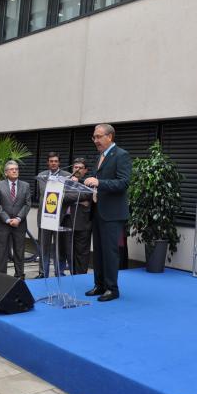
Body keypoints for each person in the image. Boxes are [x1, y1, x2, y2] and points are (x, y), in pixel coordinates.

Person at [84, 124, 131, 302]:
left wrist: (99, 182)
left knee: (110, 252)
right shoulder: (100, 156)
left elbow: (124, 182)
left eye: (98, 136)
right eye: (94, 137)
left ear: (109, 136)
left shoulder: (121, 155)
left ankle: (112, 289)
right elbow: (97, 182)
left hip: (112, 214)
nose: (95, 140)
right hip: (97, 210)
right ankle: (100, 285)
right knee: (98, 251)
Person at [35, 152, 71, 278]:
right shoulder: (41, 175)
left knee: (58, 248)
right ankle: (43, 273)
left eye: (56, 161)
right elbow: (43, 193)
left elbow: (68, 194)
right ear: (48, 163)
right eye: (51, 161)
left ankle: (58, 272)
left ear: (59, 162)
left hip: (60, 218)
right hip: (45, 217)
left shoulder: (67, 176)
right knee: (43, 247)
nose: (53, 163)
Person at [0, 161, 31, 279]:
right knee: (1, 252)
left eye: (16, 169)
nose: (15, 171)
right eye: (12, 169)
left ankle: (19, 275)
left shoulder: (25, 185)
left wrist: (18, 218)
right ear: (6, 173)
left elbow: (27, 204)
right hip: (3, 224)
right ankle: (1, 277)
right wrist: (7, 219)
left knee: (19, 251)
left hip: (20, 224)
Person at [64, 158, 93, 274]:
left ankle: (80, 277)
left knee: (82, 253)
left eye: (80, 168)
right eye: (75, 167)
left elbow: (88, 195)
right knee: (69, 252)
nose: (77, 170)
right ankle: (72, 276)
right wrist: (79, 200)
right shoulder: (66, 181)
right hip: (67, 221)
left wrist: (72, 196)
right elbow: (62, 196)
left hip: (83, 223)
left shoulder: (90, 182)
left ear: (85, 170)